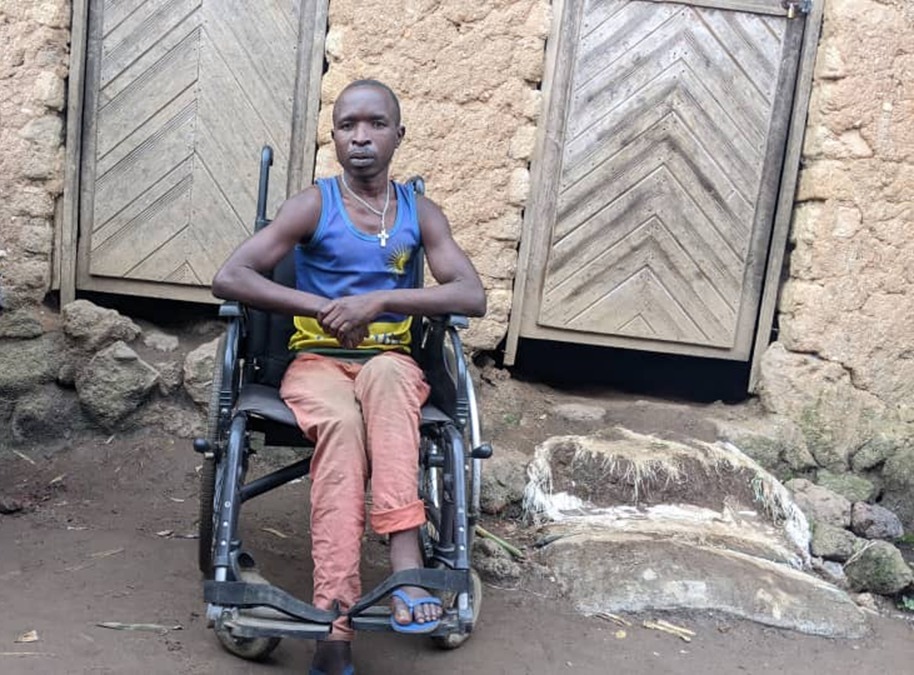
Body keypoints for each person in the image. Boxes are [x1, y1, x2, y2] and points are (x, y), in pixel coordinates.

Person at [211, 79, 486, 675]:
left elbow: (471, 293)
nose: (360, 137)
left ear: (398, 135)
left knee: (388, 386)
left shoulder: (420, 212)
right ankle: (333, 618)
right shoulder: (315, 204)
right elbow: (230, 276)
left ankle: (405, 562)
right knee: (339, 423)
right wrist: (321, 310)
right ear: (334, 136)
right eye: (347, 126)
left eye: (375, 125)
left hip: (390, 364)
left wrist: (382, 300)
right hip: (315, 365)